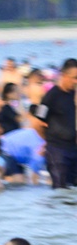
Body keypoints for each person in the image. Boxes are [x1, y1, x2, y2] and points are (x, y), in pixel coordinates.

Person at [33, 58, 77, 188]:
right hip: (56, 151)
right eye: (74, 78)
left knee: (73, 190)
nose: (76, 82)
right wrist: (49, 141)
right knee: (60, 189)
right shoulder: (51, 96)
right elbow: (37, 123)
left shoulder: (72, 94)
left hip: (72, 148)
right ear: (64, 75)